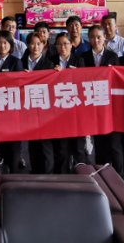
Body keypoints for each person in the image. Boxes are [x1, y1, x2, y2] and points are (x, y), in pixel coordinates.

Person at [81, 25, 123, 173]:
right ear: (89, 39)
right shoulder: (83, 57)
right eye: (92, 37)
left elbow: (118, 79)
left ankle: (118, 174)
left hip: (110, 105)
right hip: (93, 104)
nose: (96, 40)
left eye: (99, 37)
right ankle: (102, 174)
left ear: (104, 37)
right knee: (99, 142)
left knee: (114, 143)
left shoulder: (113, 56)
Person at [52, 32, 91, 173]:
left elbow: (83, 82)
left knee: (78, 146)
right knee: (62, 148)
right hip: (58, 110)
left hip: (76, 109)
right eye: (59, 44)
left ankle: (83, 175)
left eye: (65, 44)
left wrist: (71, 74)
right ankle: (63, 176)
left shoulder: (79, 60)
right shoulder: (50, 61)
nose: (62, 47)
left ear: (71, 45)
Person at [22, 32, 55, 173]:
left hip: (44, 110)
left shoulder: (49, 65)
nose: (35, 47)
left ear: (43, 45)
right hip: (27, 109)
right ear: (28, 45)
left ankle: (48, 174)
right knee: (32, 143)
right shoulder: (21, 63)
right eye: (32, 43)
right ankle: (34, 171)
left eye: (38, 44)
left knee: (45, 144)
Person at [0, 31, 23, 174]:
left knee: (14, 143)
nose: (2, 45)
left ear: (10, 45)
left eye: (5, 42)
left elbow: (19, 84)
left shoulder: (16, 62)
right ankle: (3, 166)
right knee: (2, 140)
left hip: (11, 108)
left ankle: (15, 171)